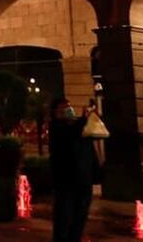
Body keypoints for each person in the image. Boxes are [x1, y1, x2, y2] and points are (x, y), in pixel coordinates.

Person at [49, 98, 98, 242]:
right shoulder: (57, 127)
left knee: (79, 218)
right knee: (64, 219)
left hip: (83, 181)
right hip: (66, 182)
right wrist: (83, 119)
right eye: (64, 107)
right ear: (56, 111)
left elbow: (90, 150)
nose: (69, 110)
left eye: (69, 106)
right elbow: (69, 135)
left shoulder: (78, 126)